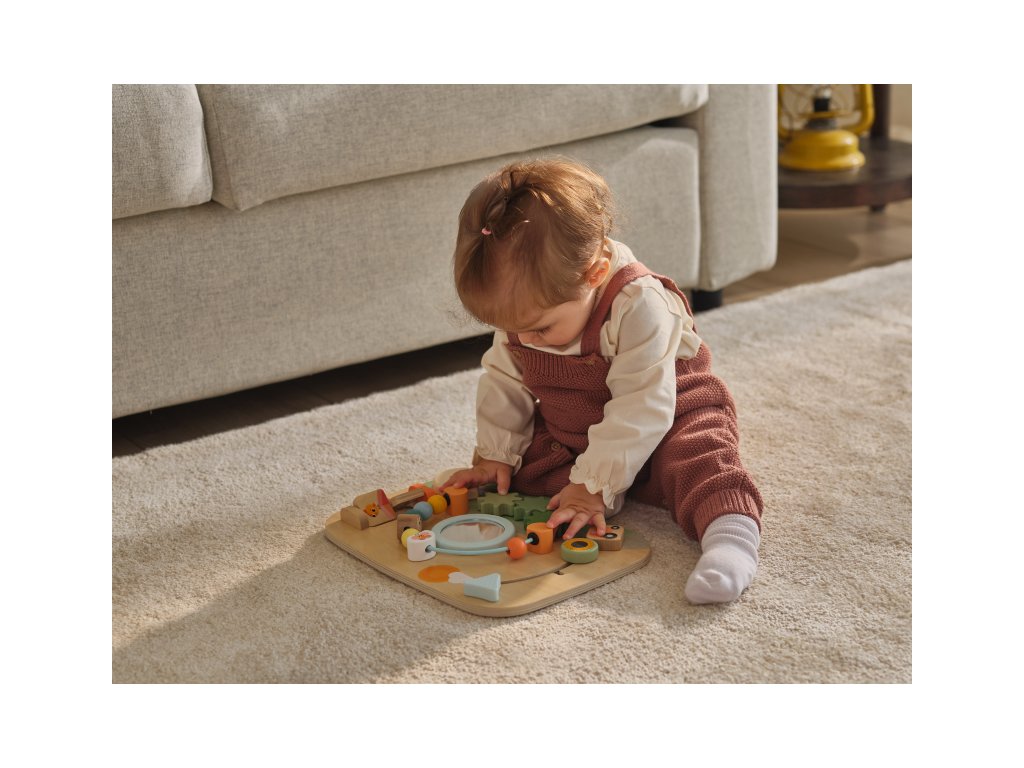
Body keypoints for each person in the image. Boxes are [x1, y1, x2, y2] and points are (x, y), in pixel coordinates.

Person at [440, 157, 764, 604]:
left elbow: (643, 405)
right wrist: (496, 454)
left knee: (699, 457)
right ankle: (600, 484)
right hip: (576, 427)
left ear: (593, 275)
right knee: (523, 473)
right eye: (512, 329)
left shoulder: (640, 303)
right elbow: (504, 381)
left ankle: (731, 541)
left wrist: (591, 485)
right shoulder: (529, 315)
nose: (524, 340)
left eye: (539, 329)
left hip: (666, 412)